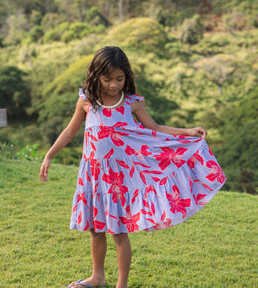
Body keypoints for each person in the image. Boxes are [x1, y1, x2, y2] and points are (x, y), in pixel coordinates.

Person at [39, 46, 226, 288]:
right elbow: (70, 130)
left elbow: (155, 128)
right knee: (96, 230)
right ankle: (97, 277)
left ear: (127, 76)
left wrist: (187, 132)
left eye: (119, 78)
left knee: (118, 231)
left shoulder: (131, 103)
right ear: (96, 75)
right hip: (93, 176)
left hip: (118, 180)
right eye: (107, 79)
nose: (114, 85)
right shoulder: (87, 102)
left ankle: (122, 284)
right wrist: (49, 155)